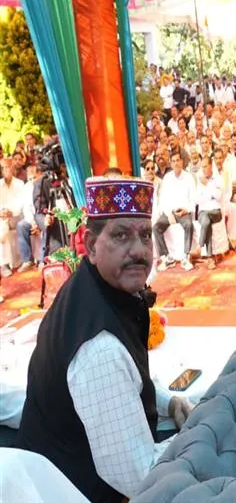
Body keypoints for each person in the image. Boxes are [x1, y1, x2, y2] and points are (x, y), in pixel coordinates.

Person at [17, 177, 193, 502]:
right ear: (92, 244)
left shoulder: (93, 288)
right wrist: (202, 436)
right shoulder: (99, 349)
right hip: (68, 490)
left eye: (144, 235)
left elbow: (127, 379)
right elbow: (139, 477)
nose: (139, 250)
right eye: (121, 235)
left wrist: (169, 401)